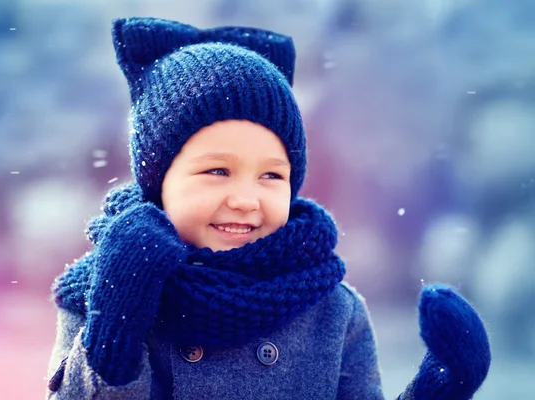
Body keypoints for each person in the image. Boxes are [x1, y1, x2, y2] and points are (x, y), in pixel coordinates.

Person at [47, 17, 491, 400]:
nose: (246, 198)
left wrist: (438, 387)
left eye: (272, 176)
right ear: (159, 182)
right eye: (217, 171)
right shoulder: (100, 294)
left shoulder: (332, 310)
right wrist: (118, 318)